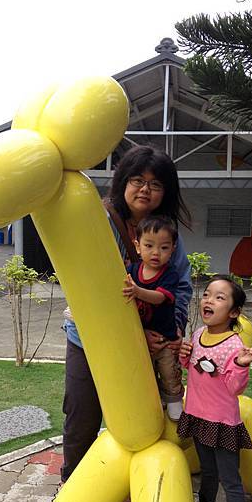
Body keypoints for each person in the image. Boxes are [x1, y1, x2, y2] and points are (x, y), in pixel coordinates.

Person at [62, 145, 192, 482]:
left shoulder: (167, 234)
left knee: (143, 418)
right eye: (137, 180)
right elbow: (92, 285)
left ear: (166, 192)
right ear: (123, 182)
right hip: (90, 339)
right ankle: (74, 485)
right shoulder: (99, 220)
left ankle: (139, 484)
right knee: (82, 413)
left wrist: (170, 332)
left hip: (150, 346)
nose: (145, 189)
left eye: (156, 184)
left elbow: (182, 289)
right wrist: (135, 332)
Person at [177, 276, 252, 502]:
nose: (209, 300)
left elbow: (235, 388)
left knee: (230, 480)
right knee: (208, 473)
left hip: (222, 423)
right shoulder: (199, 333)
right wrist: (184, 356)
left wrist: (240, 365)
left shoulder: (234, 344)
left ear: (234, 312)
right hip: (198, 417)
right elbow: (194, 371)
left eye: (220, 297)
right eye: (207, 294)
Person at [123, 215, 184, 420]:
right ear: (137, 246)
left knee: (169, 372)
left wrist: (137, 291)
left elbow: (160, 298)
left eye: (164, 247)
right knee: (145, 374)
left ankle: (174, 401)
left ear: (173, 248)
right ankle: (156, 399)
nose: (156, 252)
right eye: (149, 246)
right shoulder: (131, 271)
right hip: (140, 338)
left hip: (165, 338)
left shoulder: (170, 274)